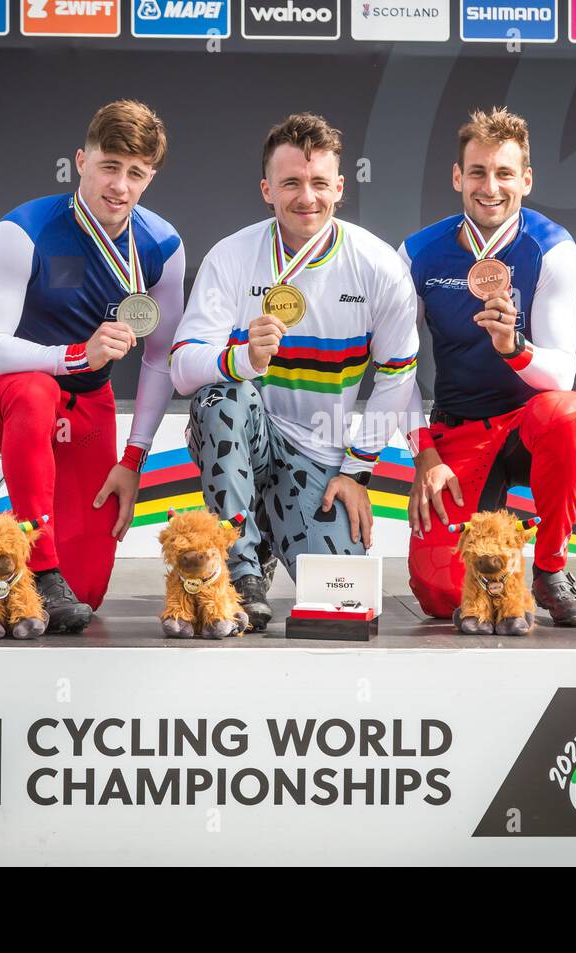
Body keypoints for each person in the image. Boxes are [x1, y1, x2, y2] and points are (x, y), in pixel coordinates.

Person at [169, 113, 419, 630]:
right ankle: (239, 570)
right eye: (291, 183)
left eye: (319, 183)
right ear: (267, 189)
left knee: (343, 601)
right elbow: (181, 368)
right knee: (222, 397)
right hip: (247, 435)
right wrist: (241, 360)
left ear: (340, 188)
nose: (307, 197)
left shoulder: (378, 267)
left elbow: (398, 376)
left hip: (317, 454)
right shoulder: (232, 257)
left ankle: (261, 537)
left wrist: (356, 471)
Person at [0, 99, 185, 633]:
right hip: (5, 398)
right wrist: (75, 354)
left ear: (149, 178)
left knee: (89, 594)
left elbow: (158, 360)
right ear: (81, 160)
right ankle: (40, 565)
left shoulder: (163, 245)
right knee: (34, 392)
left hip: (88, 403)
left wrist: (134, 457)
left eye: (136, 174)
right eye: (108, 166)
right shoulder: (24, 228)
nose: (119, 186)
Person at [402, 107, 576, 631]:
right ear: (457, 177)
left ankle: (550, 567)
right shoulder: (419, 253)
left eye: (505, 173)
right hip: (460, 429)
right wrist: (425, 455)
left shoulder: (552, 248)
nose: (491, 187)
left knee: (566, 412)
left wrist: (515, 349)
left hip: (527, 427)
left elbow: (563, 375)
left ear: (526, 180)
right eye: (479, 172)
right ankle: (494, 557)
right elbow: (396, 367)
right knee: (443, 595)